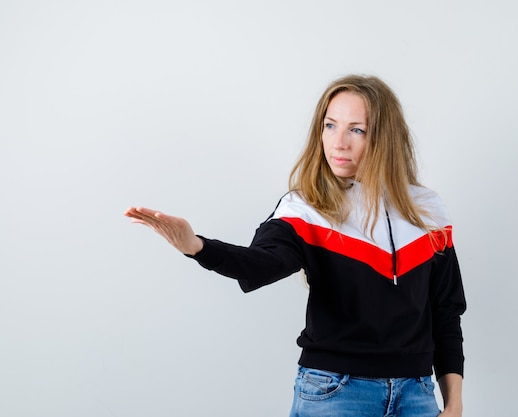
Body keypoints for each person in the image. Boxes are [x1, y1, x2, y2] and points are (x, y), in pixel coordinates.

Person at [124, 75, 466, 417]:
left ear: (385, 138)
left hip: (417, 395)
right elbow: (260, 264)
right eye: (330, 126)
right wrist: (197, 246)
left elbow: (446, 311)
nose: (339, 143)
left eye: (356, 130)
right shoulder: (306, 208)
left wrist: (453, 403)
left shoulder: (427, 212)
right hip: (336, 393)